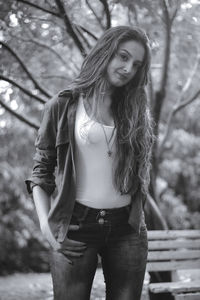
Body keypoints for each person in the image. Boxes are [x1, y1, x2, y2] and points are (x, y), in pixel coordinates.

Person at [26, 25, 154, 300]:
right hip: (76, 226)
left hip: (128, 229)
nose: (128, 68)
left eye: (136, 64)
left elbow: (141, 171)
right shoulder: (62, 106)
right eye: (122, 56)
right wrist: (48, 230)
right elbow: (41, 172)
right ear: (105, 52)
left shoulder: (135, 108)